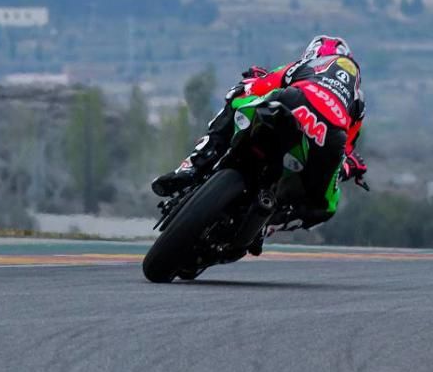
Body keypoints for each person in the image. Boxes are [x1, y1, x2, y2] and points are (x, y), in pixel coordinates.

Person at [151, 35, 366, 235]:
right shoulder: (358, 101)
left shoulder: (308, 66)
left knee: (236, 101)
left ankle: (192, 167)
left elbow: (260, 87)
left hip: (292, 99)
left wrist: (251, 81)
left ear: (313, 53)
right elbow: (345, 150)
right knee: (322, 207)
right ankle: (267, 225)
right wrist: (349, 168)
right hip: (330, 135)